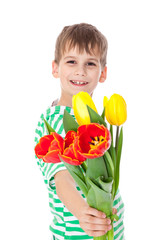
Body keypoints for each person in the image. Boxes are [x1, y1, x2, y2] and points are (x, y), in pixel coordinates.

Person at [34, 23, 124, 240]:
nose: (80, 71)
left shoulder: (96, 121)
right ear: (55, 68)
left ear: (102, 73)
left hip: (106, 228)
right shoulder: (54, 122)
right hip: (78, 233)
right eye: (71, 61)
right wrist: (82, 213)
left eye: (90, 63)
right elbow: (62, 177)